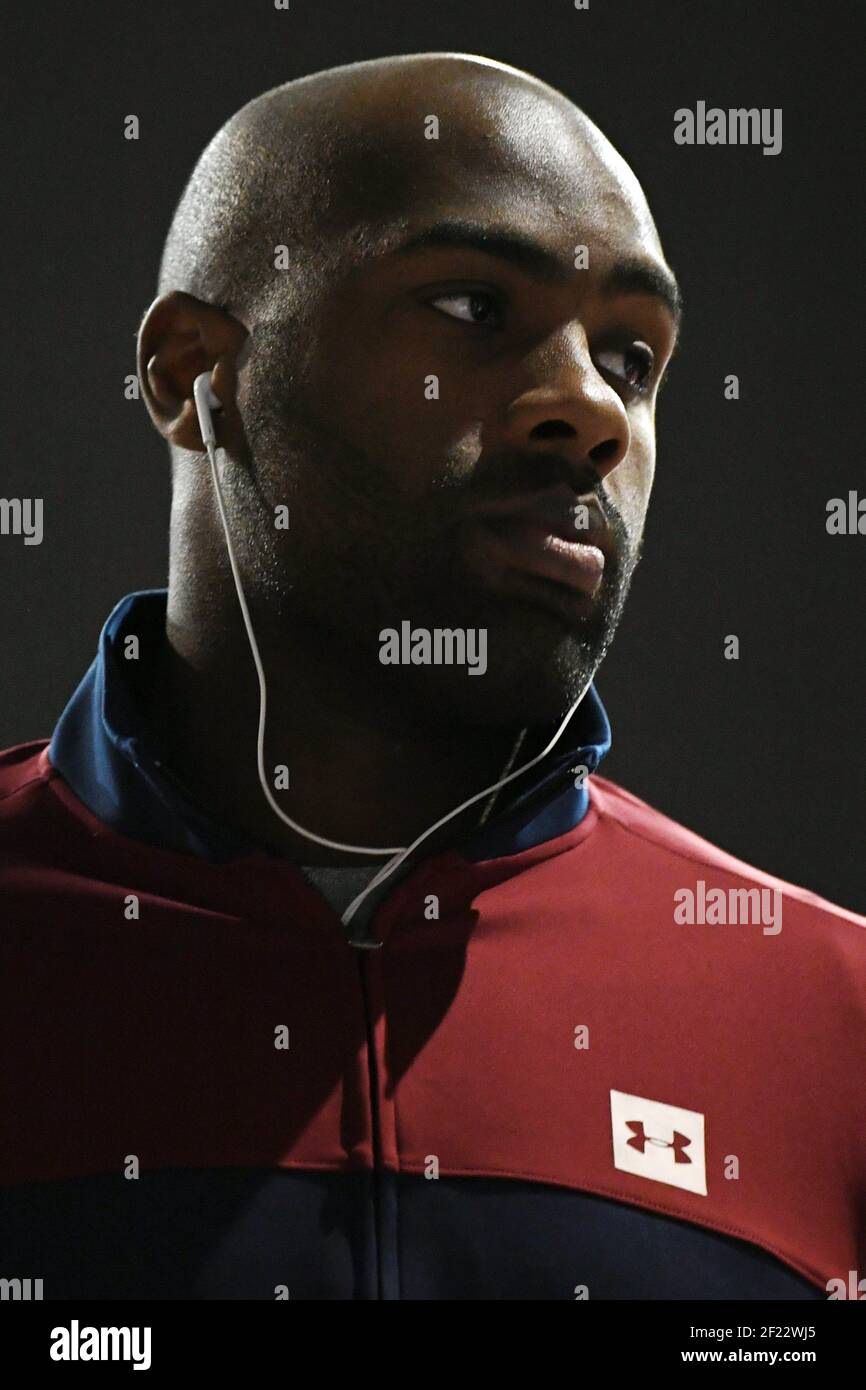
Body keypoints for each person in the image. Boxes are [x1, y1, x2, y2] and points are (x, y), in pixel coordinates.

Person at [1, 53, 862, 1301]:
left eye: (629, 356)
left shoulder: (827, 1026)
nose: (589, 410)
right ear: (193, 372)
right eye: (469, 309)